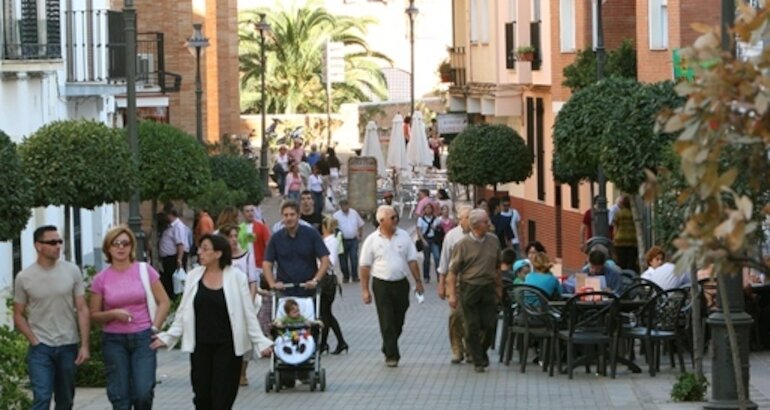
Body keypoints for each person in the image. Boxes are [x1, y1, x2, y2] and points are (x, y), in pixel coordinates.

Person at [150, 234, 273, 410]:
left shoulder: (237, 277)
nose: (200, 252)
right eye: (200, 248)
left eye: (205, 249)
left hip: (228, 346)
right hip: (201, 346)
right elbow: (183, 312)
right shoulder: (193, 276)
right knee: (202, 396)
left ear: (218, 253)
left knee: (222, 396)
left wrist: (261, 342)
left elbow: (248, 313)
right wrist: (169, 336)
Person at [89, 225, 170, 409]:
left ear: (131, 246)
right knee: (120, 396)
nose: (121, 247)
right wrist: (113, 314)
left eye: (125, 243)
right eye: (115, 243)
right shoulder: (101, 279)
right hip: (114, 340)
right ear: (108, 248)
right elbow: (94, 315)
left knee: (143, 392)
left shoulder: (145, 270)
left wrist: (155, 328)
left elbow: (164, 301)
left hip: (143, 338)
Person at [13, 225, 91, 410]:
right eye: (52, 242)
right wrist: (33, 340)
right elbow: (18, 314)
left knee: (65, 400)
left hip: (67, 344)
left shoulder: (72, 271)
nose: (58, 246)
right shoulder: (24, 277)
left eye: (59, 241)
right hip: (41, 347)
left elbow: (82, 308)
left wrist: (85, 345)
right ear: (38, 246)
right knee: (42, 397)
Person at [359, 205, 424, 367]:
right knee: (386, 320)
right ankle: (392, 355)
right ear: (381, 221)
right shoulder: (372, 240)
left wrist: (418, 281)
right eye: (393, 218)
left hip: (401, 283)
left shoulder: (404, 236)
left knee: (399, 320)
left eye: (396, 217)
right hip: (381, 284)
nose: (396, 220)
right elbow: (365, 266)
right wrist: (365, 290)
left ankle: (388, 344)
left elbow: (412, 260)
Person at [447, 209, 502, 373]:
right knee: (472, 325)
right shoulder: (462, 245)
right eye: (486, 221)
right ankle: (478, 360)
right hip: (470, 287)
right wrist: (452, 294)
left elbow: (498, 267)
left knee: (490, 325)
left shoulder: (493, 241)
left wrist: (499, 288)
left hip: (488, 287)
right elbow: (453, 272)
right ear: (476, 225)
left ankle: (481, 351)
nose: (489, 223)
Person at [263, 200, 330, 297]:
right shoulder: (276, 238)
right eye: (285, 215)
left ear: (298, 215)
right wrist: (272, 284)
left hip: (308, 290)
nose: (289, 218)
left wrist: (315, 280)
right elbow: (266, 264)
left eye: (292, 214)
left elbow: (325, 259)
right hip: (284, 291)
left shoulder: (311, 234)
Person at [437, 205, 472, 364]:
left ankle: (470, 349)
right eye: (467, 217)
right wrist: (441, 284)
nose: (471, 220)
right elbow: (444, 261)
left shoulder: (479, 234)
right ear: (460, 219)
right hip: (455, 281)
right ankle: (457, 349)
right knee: (455, 316)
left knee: (471, 317)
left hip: (473, 282)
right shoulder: (451, 236)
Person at [319, 217, 348, 355]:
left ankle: (326, 343)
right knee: (325, 313)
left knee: (325, 313)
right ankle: (335, 342)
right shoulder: (327, 240)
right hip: (325, 278)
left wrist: (319, 257)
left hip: (327, 279)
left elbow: (330, 261)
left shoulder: (331, 241)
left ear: (325, 226)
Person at [159, 208, 190, 299]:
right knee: (168, 280)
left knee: (174, 281)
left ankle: (175, 298)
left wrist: (179, 259)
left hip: (174, 257)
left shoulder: (178, 226)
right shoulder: (171, 226)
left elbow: (180, 243)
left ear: (170, 214)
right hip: (169, 258)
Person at [333, 199, 365, 283]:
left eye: (346, 205)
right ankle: (346, 276)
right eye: (343, 206)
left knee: (354, 258)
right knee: (343, 260)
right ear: (340, 206)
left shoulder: (354, 213)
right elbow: (332, 227)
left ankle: (355, 276)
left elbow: (360, 224)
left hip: (353, 240)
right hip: (342, 241)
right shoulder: (336, 216)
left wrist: (360, 235)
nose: (345, 207)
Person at [613, 195, 639, 272]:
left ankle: (623, 275)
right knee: (631, 261)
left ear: (623, 204)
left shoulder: (618, 213)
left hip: (620, 239)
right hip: (632, 239)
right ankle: (630, 275)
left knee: (621, 261)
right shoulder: (634, 214)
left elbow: (615, 227)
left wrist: (614, 238)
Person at [417, 203, 441, 283]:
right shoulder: (421, 219)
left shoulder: (436, 219)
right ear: (424, 210)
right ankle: (426, 276)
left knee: (437, 257)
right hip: (426, 239)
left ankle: (439, 276)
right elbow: (419, 231)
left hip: (434, 239)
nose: (428, 210)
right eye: (426, 208)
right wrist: (423, 240)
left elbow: (439, 230)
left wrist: (435, 229)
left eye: (430, 208)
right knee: (426, 259)